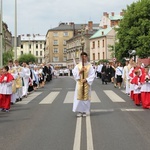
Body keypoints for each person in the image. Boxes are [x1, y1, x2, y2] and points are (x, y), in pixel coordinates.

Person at [72, 52, 95, 117]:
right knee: (79, 98)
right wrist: (80, 72)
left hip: (86, 84)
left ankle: (85, 110)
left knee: (86, 98)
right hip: (79, 84)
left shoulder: (90, 66)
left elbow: (92, 75)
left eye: (85, 57)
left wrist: (87, 79)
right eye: (82, 57)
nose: (84, 58)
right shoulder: (78, 66)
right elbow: (74, 74)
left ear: (87, 57)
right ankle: (80, 111)